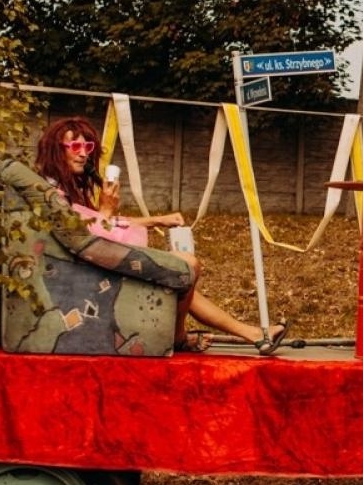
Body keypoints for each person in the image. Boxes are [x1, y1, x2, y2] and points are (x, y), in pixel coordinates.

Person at [34, 116, 286, 354]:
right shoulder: (54, 196)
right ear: (56, 150)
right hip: (87, 276)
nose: (83, 153)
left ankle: (254, 334)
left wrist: (157, 220)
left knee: (182, 274)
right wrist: (107, 210)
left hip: (92, 267)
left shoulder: (63, 189)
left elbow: (95, 226)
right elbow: (91, 240)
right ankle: (178, 337)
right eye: (75, 146)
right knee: (186, 264)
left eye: (87, 146)